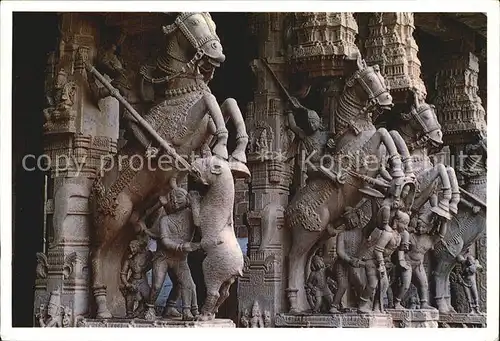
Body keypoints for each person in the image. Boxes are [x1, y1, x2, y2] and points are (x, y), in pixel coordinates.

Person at [119, 238, 153, 318]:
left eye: (134, 247)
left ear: (138, 247)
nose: (132, 249)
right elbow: (123, 274)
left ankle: (140, 311)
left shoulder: (146, 256)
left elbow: (152, 263)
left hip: (143, 280)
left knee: (147, 296)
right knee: (130, 298)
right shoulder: (129, 260)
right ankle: (129, 313)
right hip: (132, 281)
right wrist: (127, 284)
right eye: (130, 247)